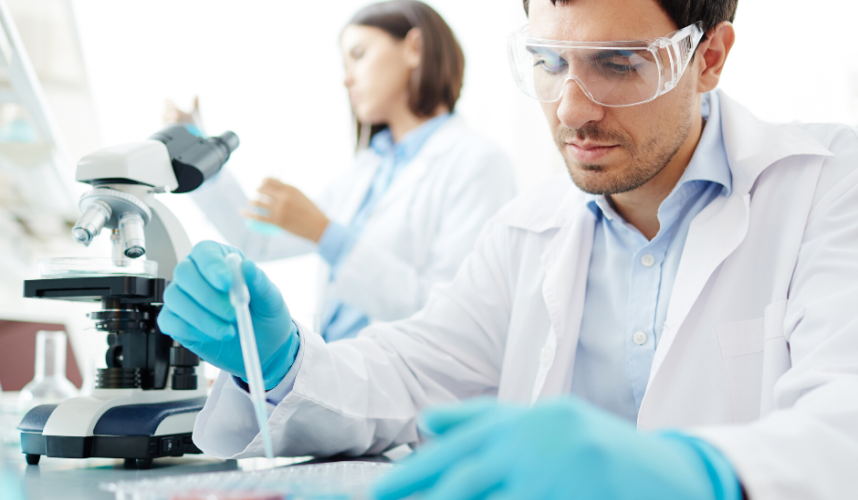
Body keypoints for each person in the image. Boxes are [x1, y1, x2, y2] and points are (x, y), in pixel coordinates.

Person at [158, 0, 858, 498]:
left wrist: (702, 472)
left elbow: (844, 422)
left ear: (709, 58)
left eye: (618, 64)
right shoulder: (529, 230)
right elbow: (408, 377)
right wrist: (281, 364)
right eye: (550, 62)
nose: (572, 108)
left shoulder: (827, 185)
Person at [170, 0, 517, 342]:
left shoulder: (477, 162)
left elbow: (452, 315)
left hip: (409, 389)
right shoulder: (368, 170)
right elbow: (256, 240)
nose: (346, 78)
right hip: (341, 373)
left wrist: (326, 235)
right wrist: (202, 156)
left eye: (359, 54)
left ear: (415, 48)